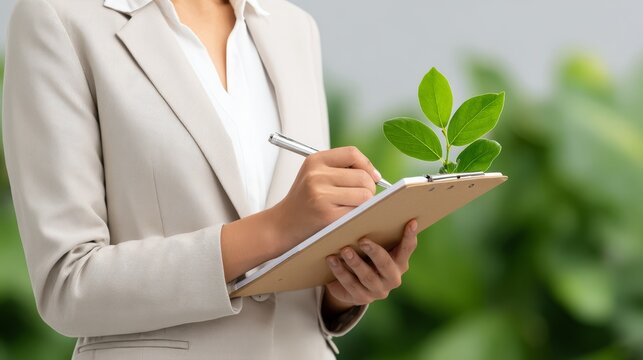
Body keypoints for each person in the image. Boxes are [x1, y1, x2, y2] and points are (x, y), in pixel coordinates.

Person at [1, 0, 419, 358]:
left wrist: (344, 285)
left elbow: (291, 281)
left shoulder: (292, 26)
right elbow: (68, 285)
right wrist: (275, 228)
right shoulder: (58, 18)